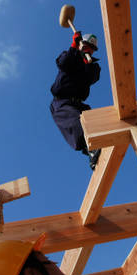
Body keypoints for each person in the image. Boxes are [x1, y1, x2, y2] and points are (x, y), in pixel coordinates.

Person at [50, 31, 101, 170]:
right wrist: (73, 47)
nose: (88, 49)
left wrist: (87, 64)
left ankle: (97, 149)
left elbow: (93, 78)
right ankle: (91, 149)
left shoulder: (93, 66)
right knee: (75, 122)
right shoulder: (69, 57)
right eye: (86, 46)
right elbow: (62, 63)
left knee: (93, 121)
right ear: (80, 45)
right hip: (62, 102)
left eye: (91, 48)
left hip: (78, 102)